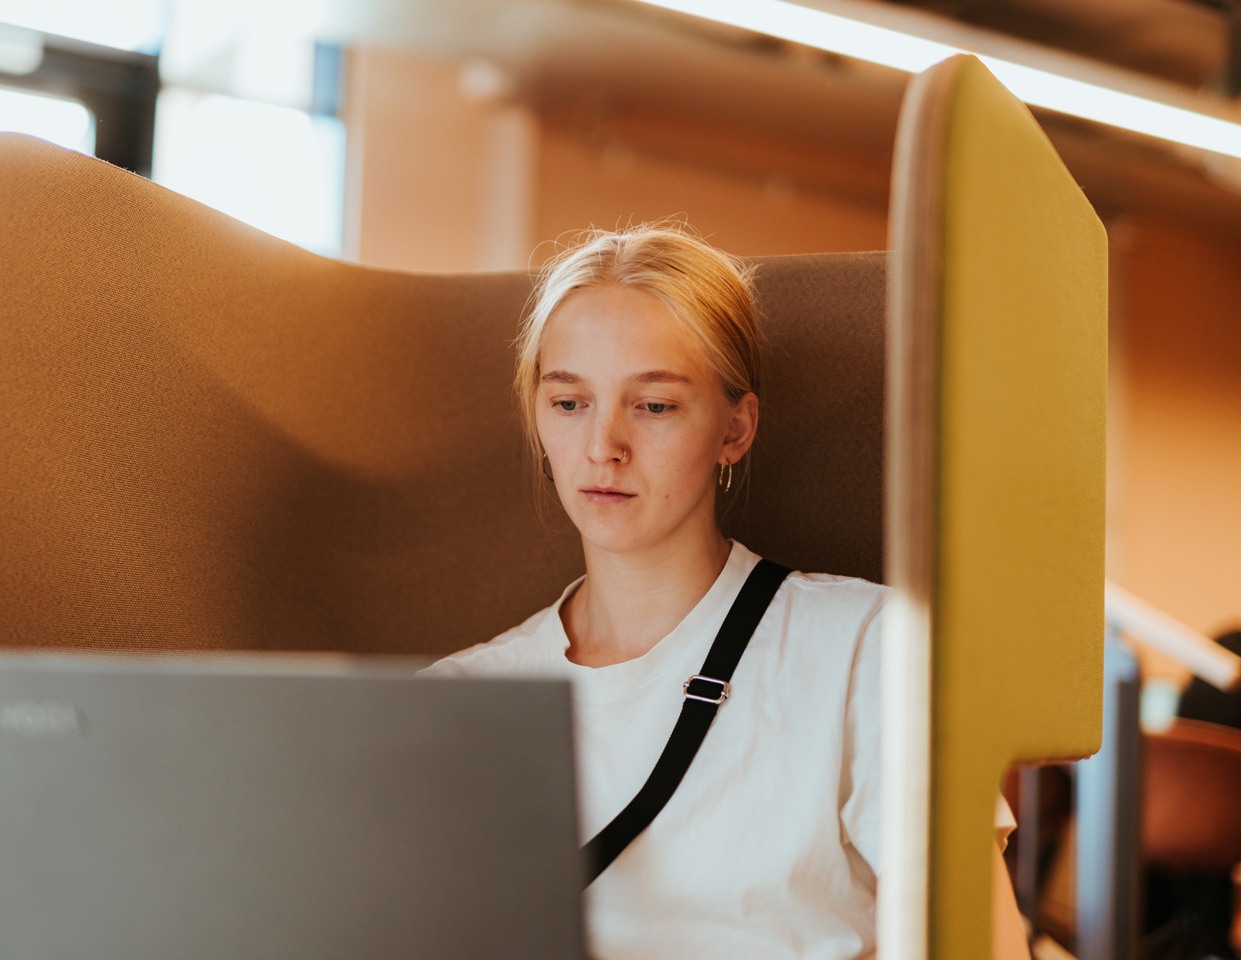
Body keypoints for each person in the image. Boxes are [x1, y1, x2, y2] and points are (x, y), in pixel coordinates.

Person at [421, 223, 1026, 959]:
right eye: (570, 403)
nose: (602, 445)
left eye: (654, 406)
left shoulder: (865, 647)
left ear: (735, 428)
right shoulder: (458, 700)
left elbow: (983, 947)